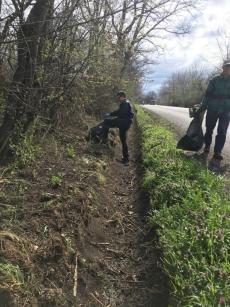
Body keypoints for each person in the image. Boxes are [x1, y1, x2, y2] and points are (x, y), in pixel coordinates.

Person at [201, 60, 230, 160]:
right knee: (209, 129)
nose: (228, 69)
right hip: (212, 108)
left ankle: (217, 152)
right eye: (227, 66)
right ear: (223, 67)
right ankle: (207, 147)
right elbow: (207, 94)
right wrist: (202, 106)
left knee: (222, 132)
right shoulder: (214, 80)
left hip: (226, 110)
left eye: (229, 67)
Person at [103, 91, 134, 165]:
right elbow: (118, 112)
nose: (118, 98)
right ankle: (126, 158)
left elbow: (120, 113)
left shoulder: (125, 103)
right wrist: (111, 114)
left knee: (106, 122)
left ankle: (104, 140)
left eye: (119, 97)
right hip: (125, 123)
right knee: (123, 140)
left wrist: (110, 116)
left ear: (122, 96)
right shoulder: (126, 102)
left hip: (123, 123)